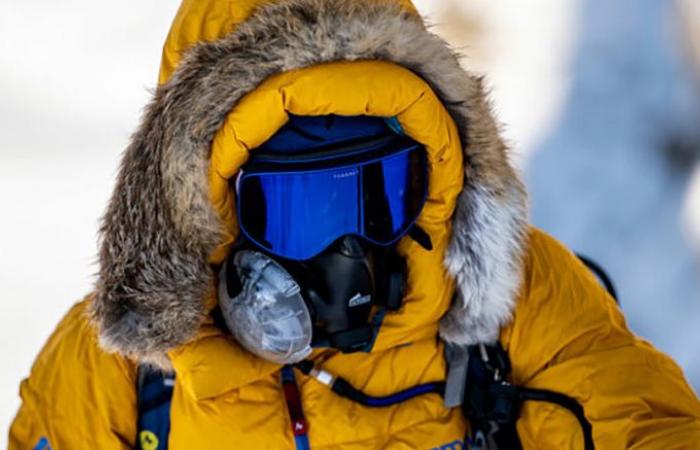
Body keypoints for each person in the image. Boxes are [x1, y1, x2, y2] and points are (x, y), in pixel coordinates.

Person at [9, 0, 700, 448]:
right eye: (299, 212)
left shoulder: (519, 305)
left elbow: (646, 423)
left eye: (380, 197)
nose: (352, 250)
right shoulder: (120, 379)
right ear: (207, 216)